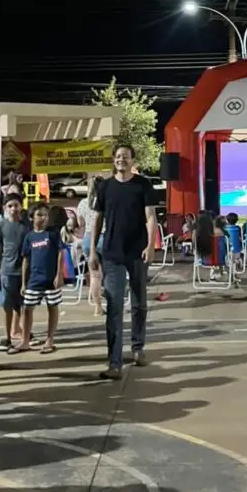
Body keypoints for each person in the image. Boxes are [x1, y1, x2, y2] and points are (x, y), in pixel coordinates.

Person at [90, 145, 157, 379]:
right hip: (111, 253)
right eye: (118, 157)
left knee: (139, 303)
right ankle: (114, 363)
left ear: (132, 160)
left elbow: (150, 217)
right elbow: (97, 220)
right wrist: (92, 252)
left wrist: (150, 245)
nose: (121, 160)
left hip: (137, 252)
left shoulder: (143, 185)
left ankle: (138, 348)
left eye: (125, 157)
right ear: (114, 160)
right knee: (114, 307)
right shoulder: (105, 187)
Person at [14, 204, 64, 355]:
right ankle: (24, 340)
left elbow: (61, 253)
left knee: (52, 307)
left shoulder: (53, 234)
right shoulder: (29, 236)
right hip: (34, 279)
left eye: (46, 215)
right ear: (32, 218)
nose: (44, 218)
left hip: (50, 279)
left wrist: (59, 274)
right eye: (40, 215)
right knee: (27, 308)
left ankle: (50, 339)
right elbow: (26, 260)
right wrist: (24, 282)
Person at [0, 194, 30, 351]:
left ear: (21, 207)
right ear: (5, 208)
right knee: (7, 306)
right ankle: (7, 337)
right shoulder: (1, 225)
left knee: (24, 305)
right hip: (6, 271)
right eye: (10, 206)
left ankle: (25, 336)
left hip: (23, 271)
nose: (14, 209)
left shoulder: (26, 226)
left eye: (16, 205)